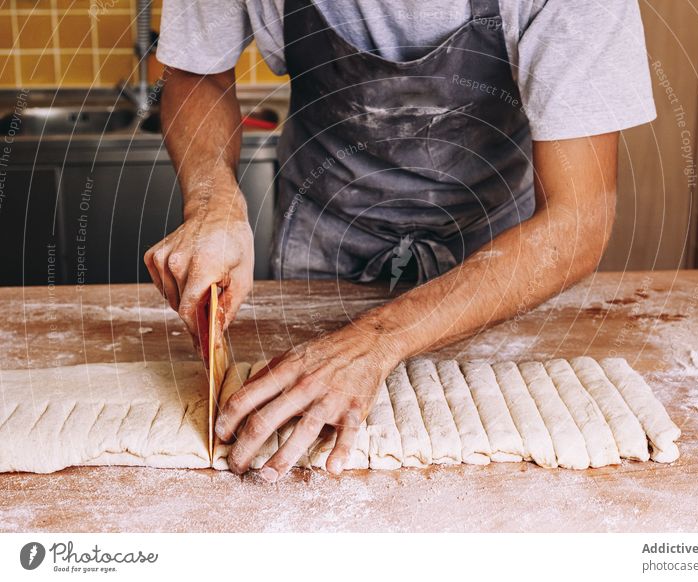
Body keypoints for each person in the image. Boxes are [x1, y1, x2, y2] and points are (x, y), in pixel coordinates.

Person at [146, 0, 656, 481]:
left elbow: (578, 218)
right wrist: (212, 199)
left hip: (503, 259)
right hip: (320, 240)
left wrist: (376, 339)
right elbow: (197, 72)